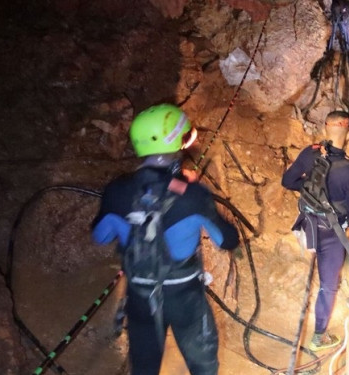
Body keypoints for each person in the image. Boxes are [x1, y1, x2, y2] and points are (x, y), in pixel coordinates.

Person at [91, 103, 240, 375]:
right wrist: (197, 196)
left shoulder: (116, 190)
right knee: (203, 365)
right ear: (175, 142)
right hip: (185, 297)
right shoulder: (193, 195)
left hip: (140, 295)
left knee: (144, 367)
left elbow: (101, 237)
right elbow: (227, 240)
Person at [282, 110, 349, 351]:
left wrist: (310, 190)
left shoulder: (309, 153)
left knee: (324, 267)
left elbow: (287, 182)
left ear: (324, 130)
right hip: (331, 234)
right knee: (328, 285)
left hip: (307, 225)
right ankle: (319, 335)